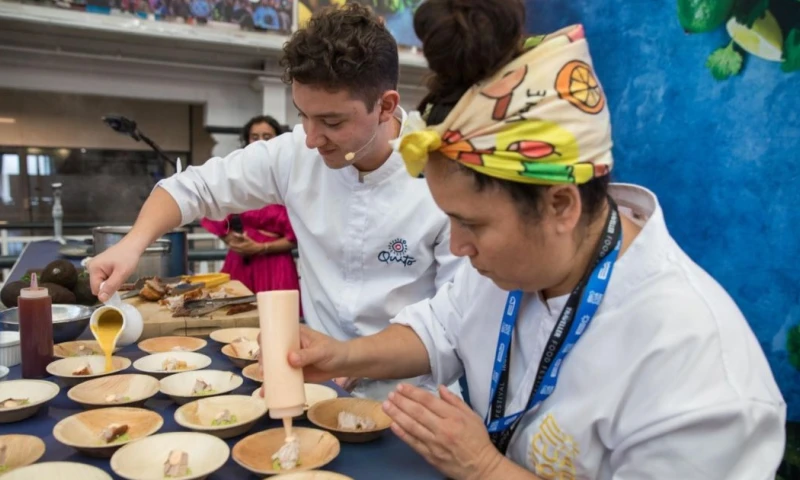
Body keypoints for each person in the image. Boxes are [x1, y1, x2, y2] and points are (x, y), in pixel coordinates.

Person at [281, 1, 787, 478]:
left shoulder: (695, 367)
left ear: (560, 205)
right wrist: (339, 355)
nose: (457, 247)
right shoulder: (513, 268)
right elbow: (439, 328)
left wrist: (484, 466)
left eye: (472, 225)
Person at [87, 3, 461, 400]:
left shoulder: (443, 179)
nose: (313, 138)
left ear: (386, 106)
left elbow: (452, 329)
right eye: (303, 116)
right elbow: (191, 187)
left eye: (332, 122)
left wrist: (352, 358)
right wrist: (132, 242)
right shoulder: (294, 153)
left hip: (413, 397)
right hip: (321, 385)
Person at [200, 115, 300, 298]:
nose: (260, 142)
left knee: (277, 321)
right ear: (247, 141)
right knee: (236, 316)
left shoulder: (290, 181)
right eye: (255, 137)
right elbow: (215, 215)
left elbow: (296, 237)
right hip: (240, 261)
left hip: (276, 267)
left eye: (267, 137)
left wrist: (261, 248)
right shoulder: (237, 179)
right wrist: (232, 240)